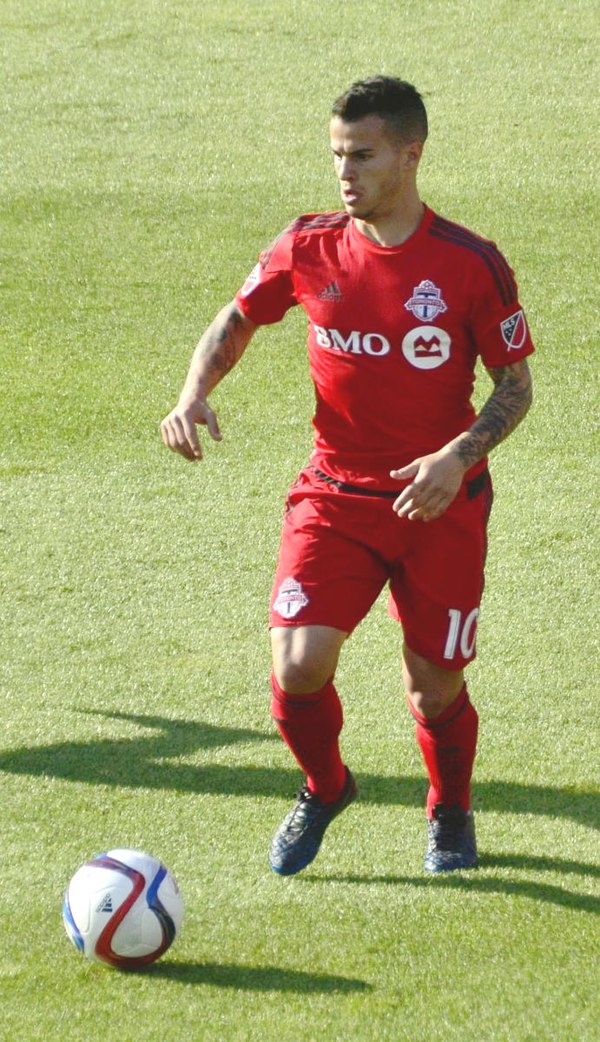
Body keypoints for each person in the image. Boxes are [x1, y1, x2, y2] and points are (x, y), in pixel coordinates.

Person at [161, 76, 533, 876]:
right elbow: (238, 316)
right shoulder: (308, 244)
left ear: (410, 153)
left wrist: (456, 457)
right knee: (296, 665)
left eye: (362, 155)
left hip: (441, 506)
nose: (345, 171)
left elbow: (516, 387)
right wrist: (194, 394)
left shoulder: (470, 265)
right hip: (334, 495)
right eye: (337, 155)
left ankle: (450, 811)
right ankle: (326, 786)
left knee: (434, 685)